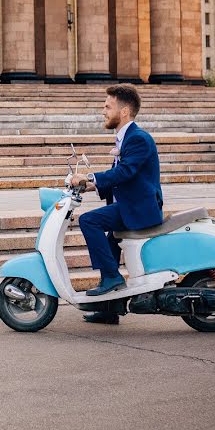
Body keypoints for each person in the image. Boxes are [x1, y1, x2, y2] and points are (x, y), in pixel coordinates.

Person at [70, 84, 163, 324]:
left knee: (89, 220)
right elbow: (121, 177)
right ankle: (110, 308)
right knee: (110, 241)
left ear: (123, 112)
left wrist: (91, 178)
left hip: (139, 209)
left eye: (107, 106)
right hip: (131, 206)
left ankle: (111, 278)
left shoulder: (138, 138)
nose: (103, 111)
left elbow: (126, 172)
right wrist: (90, 185)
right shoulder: (126, 138)